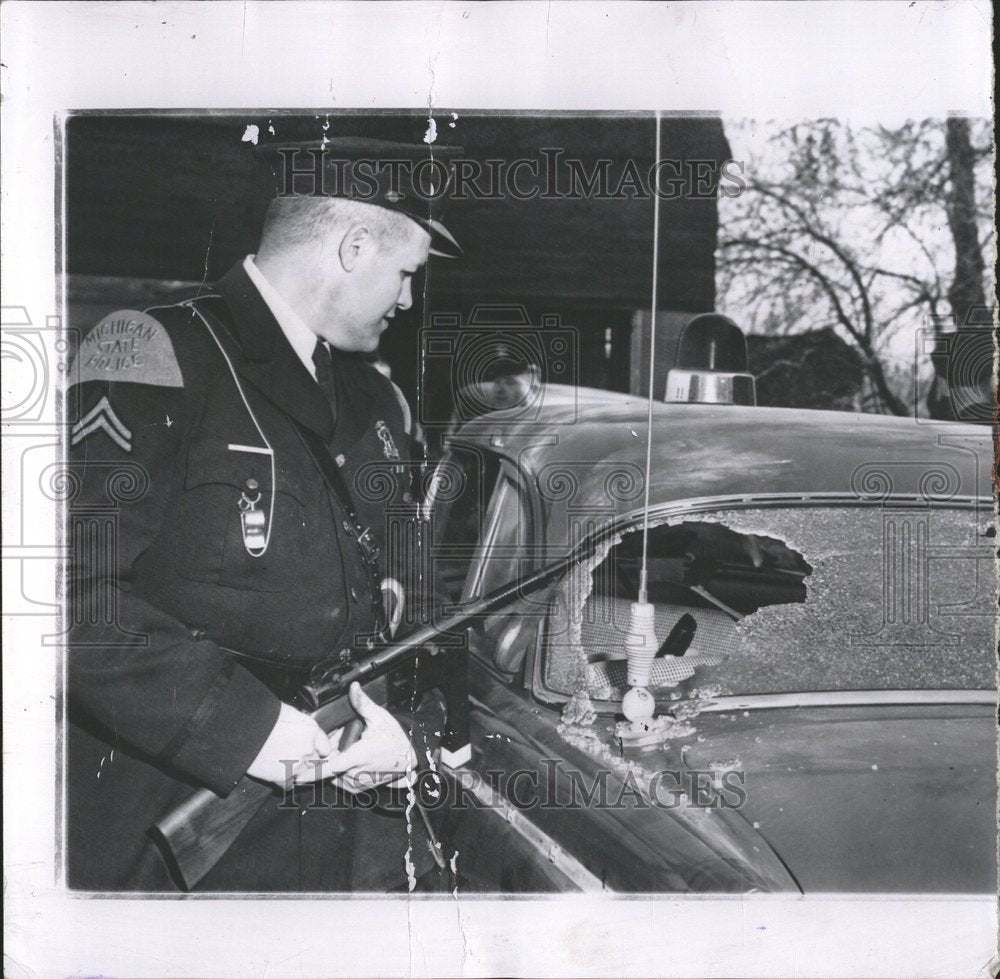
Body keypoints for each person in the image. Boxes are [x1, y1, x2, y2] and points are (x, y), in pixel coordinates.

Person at [65, 139, 461, 891]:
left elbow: (397, 584)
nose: (408, 301)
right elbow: (70, 598)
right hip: (179, 832)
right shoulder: (154, 352)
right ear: (353, 246)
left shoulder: (374, 400)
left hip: (342, 822)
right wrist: (273, 739)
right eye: (406, 273)